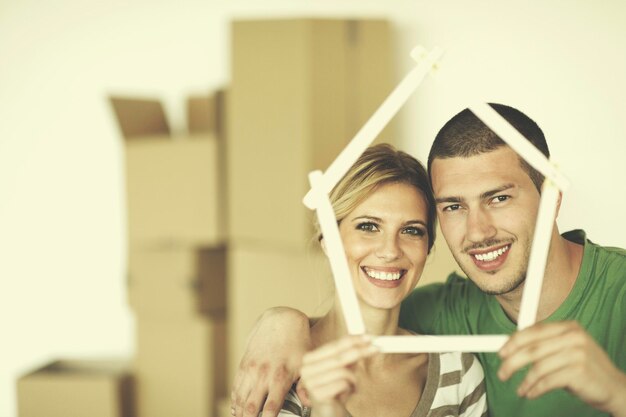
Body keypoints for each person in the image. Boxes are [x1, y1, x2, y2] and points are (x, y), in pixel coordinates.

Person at [231, 104, 626, 417]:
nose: (478, 231)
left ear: (553, 198)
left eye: (499, 198)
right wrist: (281, 320)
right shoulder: (438, 314)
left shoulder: (618, 291)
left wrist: (616, 392)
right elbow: (360, 317)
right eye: (454, 206)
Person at [274, 143, 487, 417]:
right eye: (368, 226)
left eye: (411, 230)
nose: (390, 250)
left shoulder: (459, 373)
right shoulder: (280, 371)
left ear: (428, 247)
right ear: (328, 240)